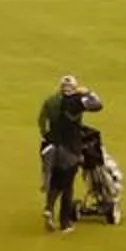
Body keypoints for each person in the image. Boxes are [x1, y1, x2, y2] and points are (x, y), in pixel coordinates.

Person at [38, 73, 104, 234]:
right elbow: (97, 105)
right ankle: (65, 223)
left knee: (55, 180)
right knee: (67, 186)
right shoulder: (77, 101)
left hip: (51, 146)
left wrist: (47, 136)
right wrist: (87, 92)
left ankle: (49, 208)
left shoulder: (51, 100)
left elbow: (41, 121)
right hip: (70, 148)